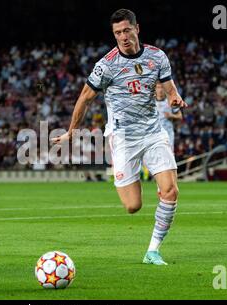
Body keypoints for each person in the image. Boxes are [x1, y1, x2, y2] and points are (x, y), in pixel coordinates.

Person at [52, 9, 187, 265]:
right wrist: (71, 131)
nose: (123, 37)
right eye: (117, 33)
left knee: (170, 191)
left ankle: (153, 251)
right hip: (123, 137)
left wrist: (174, 97)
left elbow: (168, 85)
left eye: (126, 30)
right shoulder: (106, 66)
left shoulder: (157, 57)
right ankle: (140, 184)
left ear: (137, 28)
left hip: (153, 132)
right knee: (133, 206)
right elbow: (84, 98)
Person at [155, 82, 183, 150]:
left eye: (162, 87)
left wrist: (171, 115)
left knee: (169, 158)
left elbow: (180, 116)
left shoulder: (172, 101)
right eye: (158, 87)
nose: (160, 90)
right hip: (155, 136)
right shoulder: (151, 102)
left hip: (168, 135)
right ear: (155, 89)